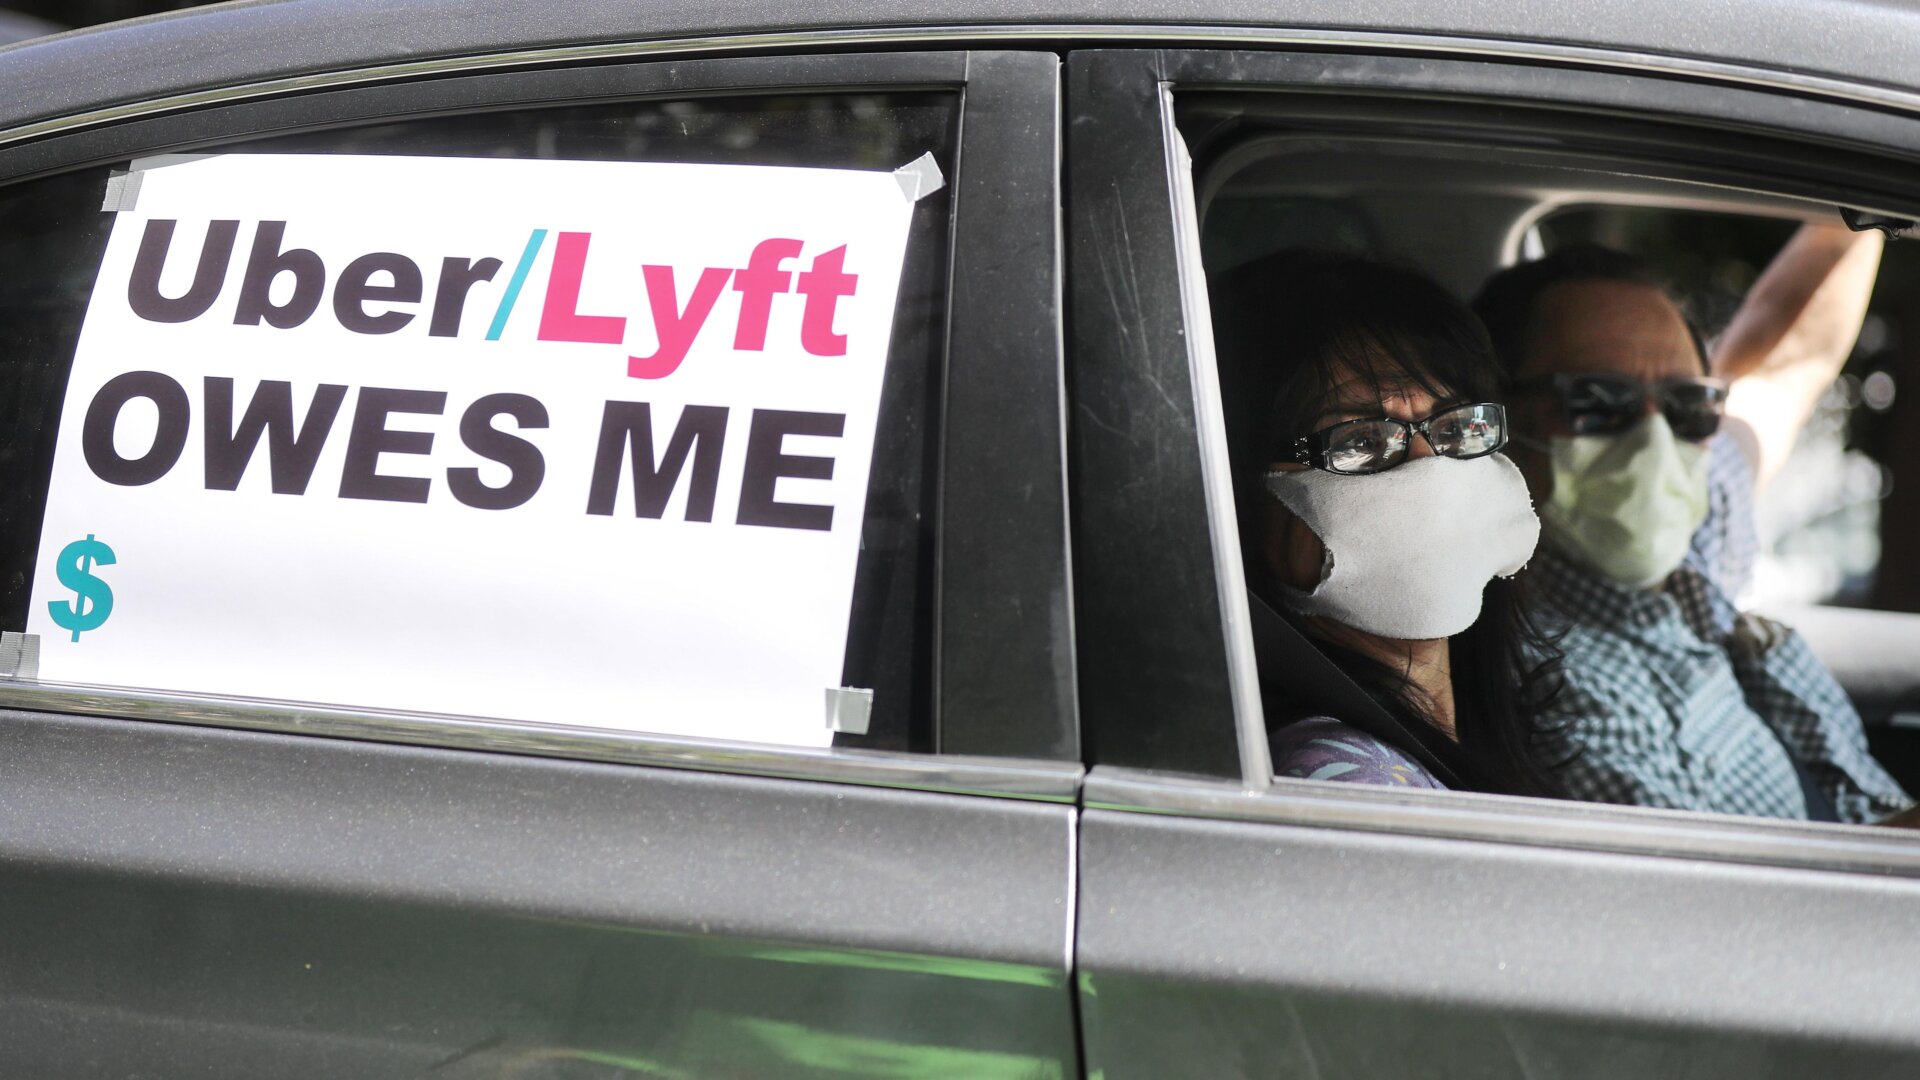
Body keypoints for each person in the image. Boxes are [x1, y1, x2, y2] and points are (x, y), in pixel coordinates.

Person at [1474, 224, 1914, 823]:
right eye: (1597, 401)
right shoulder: (1545, 689)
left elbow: (1788, 368)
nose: (1654, 443)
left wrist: (1857, 216)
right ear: (1495, 422)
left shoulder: (1695, 528)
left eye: (1689, 406)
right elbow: (1755, 884)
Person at [1214, 251, 1565, 797]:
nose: (1432, 468)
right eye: (1361, 440)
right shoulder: (1346, 778)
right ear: (1237, 487)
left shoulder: (1486, 726)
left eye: (1455, 427)